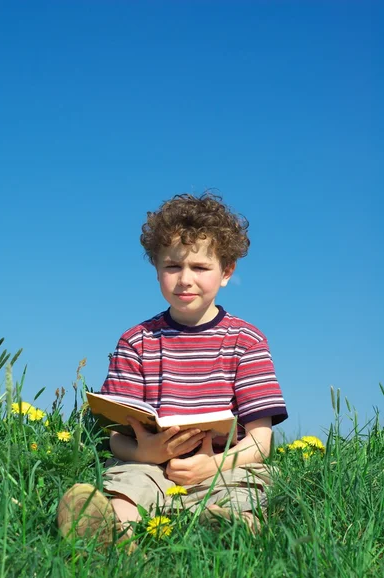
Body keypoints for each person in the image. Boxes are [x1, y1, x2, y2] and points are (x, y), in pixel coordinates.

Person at [57, 192, 288, 547]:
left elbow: (261, 440)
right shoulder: (137, 341)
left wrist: (213, 467)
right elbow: (117, 435)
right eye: (172, 267)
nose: (185, 279)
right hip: (153, 464)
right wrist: (146, 454)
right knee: (128, 485)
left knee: (244, 491)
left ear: (226, 272)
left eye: (200, 267)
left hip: (225, 464)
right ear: (157, 269)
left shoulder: (247, 341)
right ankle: (113, 538)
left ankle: (229, 530)